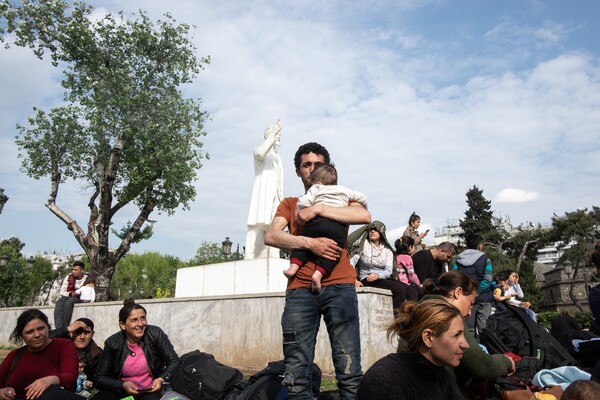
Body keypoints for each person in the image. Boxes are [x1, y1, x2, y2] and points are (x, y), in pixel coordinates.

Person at [264, 142, 370, 399]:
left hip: (341, 286)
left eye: (317, 164)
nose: (311, 169)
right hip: (300, 290)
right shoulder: (290, 204)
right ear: (299, 171)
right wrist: (311, 243)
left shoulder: (344, 198)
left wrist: (320, 208)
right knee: (296, 372)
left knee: (349, 369)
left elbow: (365, 216)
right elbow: (271, 236)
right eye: (305, 165)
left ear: (327, 167)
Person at [419, 271, 515, 400]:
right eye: (471, 303)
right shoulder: (446, 315)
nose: (470, 312)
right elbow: (483, 366)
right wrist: (507, 361)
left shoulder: (422, 308)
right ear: (458, 292)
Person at [356, 299, 469, 400]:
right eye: (456, 335)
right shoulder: (384, 380)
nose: (466, 345)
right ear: (428, 338)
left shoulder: (444, 376)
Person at [284, 164, 368, 292]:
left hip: (315, 224)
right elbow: (363, 198)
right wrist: (362, 205)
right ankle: (318, 275)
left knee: (302, 244)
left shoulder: (316, 188)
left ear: (318, 182)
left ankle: (293, 267)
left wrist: (301, 211)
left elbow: (303, 202)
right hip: (336, 227)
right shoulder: (344, 190)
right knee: (334, 252)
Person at [93, 299, 179, 400]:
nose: (140, 324)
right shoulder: (113, 343)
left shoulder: (155, 334)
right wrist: (122, 385)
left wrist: (161, 379)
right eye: (134, 320)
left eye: (143, 318)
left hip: (150, 391)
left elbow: (174, 361)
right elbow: (100, 378)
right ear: (123, 325)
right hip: (122, 391)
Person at [0, 309, 79, 400]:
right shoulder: (14, 355)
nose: (37, 334)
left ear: (48, 328)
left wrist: (49, 380)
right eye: (30, 332)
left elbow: (70, 376)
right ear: (21, 335)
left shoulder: (64, 345)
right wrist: (2, 392)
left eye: (41, 328)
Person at [244, 119, 284, 259]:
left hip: (275, 196)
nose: (278, 136)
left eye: (278, 135)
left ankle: (273, 255)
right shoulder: (259, 150)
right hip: (262, 194)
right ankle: (249, 255)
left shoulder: (277, 157)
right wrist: (272, 134)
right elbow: (261, 153)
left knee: (274, 226)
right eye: (275, 134)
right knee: (256, 223)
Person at [353, 221, 408, 308]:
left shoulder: (387, 249)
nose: (372, 231)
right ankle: (397, 320)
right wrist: (353, 279)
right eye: (371, 229)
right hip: (367, 279)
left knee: (412, 291)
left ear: (381, 232)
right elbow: (352, 261)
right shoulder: (364, 244)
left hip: (381, 278)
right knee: (399, 289)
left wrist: (378, 275)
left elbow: (389, 270)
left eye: (376, 229)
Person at [453, 235, 494, 337]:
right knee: (483, 329)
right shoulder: (485, 259)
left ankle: (469, 351)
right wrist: (477, 291)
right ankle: (483, 351)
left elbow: (455, 278)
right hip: (483, 298)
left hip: (466, 298)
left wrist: (468, 293)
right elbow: (488, 279)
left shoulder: (458, 260)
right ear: (479, 246)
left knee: (468, 329)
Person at [54, 260, 88, 329]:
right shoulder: (68, 277)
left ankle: (66, 327)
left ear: (82, 270)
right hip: (69, 296)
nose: (73, 271)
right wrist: (70, 294)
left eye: (76, 270)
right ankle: (58, 328)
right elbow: (62, 291)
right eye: (73, 269)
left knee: (69, 302)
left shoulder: (87, 278)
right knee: (59, 302)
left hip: (80, 298)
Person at [394, 235, 421, 301]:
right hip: (404, 283)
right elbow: (412, 276)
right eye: (413, 246)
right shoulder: (407, 257)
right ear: (410, 247)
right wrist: (419, 284)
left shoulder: (395, 256)